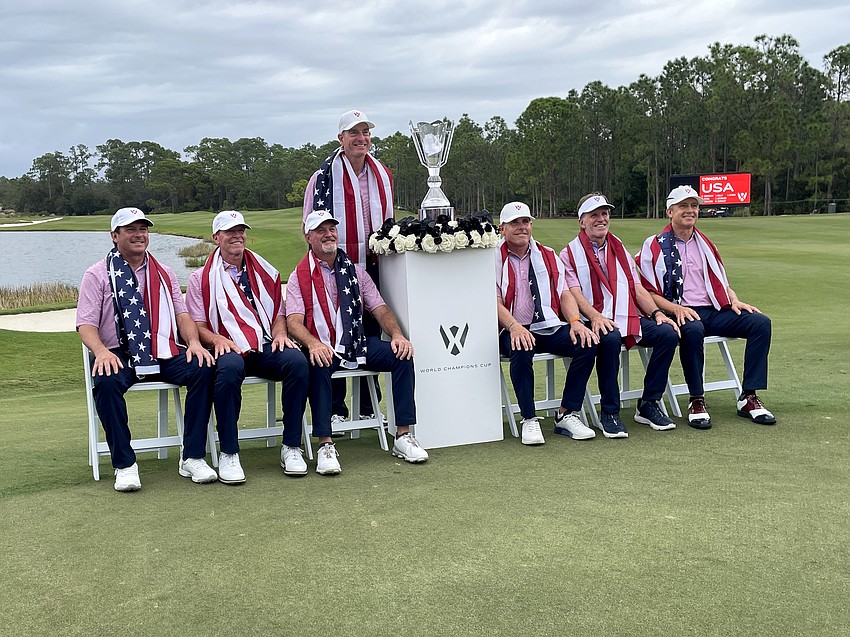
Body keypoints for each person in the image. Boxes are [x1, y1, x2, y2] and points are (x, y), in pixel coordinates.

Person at [76, 207, 218, 491]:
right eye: (131, 230)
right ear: (115, 236)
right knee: (105, 382)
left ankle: (192, 456)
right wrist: (101, 352)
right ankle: (125, 464)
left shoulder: (163, 272)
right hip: (117, 351)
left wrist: (192, 342)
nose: (139, 235)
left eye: (143, 229)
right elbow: (85, 324)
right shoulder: (97, 274)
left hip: (161, 349)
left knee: (204, 368)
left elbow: (182, 316)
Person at [285, 210, 428, 474]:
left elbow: (380, 309)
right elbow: (293, 322)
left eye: (332, 229)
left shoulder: (355, 272)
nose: (328, 234)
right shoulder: (298, 276)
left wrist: (397, 335)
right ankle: (325, 444)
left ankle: (403, 435)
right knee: (317, 363)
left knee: (402, 355)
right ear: (308, 236)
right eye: (321, 230)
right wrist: (313, 343)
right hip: (322, 345)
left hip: (356, 343)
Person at [636, 185, 775, 428]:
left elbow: (720, 281)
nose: (690, 211)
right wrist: (675, 309)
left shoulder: (706, 244)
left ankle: (749, 397)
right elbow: (647, 290)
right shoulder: (654, 245)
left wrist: (734, 299)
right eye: (683, 206)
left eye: (694, 206)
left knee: (760, 323)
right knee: (692, 329)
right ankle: (697, 399)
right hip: (678, 310)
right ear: (670, 211)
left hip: (713, 310)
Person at [185, 210, 310, 480]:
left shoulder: (263, 271)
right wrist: (218, 340)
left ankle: (291, 445)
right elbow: (199, 326)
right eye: (230, 232)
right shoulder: (200, 279)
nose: (237, 236)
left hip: (265, 342)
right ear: (216, 237)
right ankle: (229, 452)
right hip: (226, 345)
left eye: (240, 230)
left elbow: (278, 314)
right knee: (228, 371)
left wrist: (279, 334)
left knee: (297, 362)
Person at [560, 193, 682, 438]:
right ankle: (610, 412)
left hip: (624, 315)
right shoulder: (569, 254)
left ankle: (649, 403)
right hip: (590, 318)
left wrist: (657, 312)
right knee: (610, 337)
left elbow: (637, 288)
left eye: (604, 214)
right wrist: (595, 317)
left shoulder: (619, 248)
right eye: (594, 215)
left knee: (667, 333)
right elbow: (574, 294)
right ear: (582, 221)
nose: (601, 219)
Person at [302, 109, 394, 424]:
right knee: (336, 332)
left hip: (378, 267)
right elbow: (310, 225)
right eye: (354, 133)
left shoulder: (383, 174)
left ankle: (369, 405)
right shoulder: (322, 178)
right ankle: (337, 408)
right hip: (339, 270)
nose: (361, 138)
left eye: (366, 132)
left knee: (372, 333)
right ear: (341, 139)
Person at [496, 201, 600, 446]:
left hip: (547, 325)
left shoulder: (548, 254)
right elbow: (494, 301)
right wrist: (514, 327)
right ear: (502, 228)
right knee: (521, 346)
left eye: (526, 222)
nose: (522, 227)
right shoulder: (491, 257)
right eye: (515, 223)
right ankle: (529, 418)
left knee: (586, 343)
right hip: (508, 327)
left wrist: (575, 321)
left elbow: (564, 293)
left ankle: (567, 413)